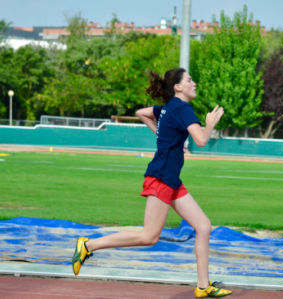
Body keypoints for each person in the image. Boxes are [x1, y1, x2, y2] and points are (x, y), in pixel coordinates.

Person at [72, 67, 232, 298]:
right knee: (149, 237)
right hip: (162, 178)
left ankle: (203, 285)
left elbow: (141, 112)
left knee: (203, 226)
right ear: (178, 87)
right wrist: (210, 123)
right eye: (190, 80)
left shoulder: (167, 109)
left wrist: (165, 138)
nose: (194, 83)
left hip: (170, 178)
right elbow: (202, 140)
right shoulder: (184, 109)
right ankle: (87, 246)